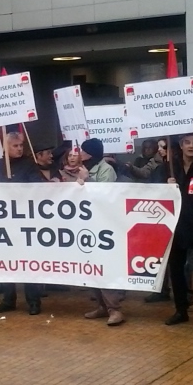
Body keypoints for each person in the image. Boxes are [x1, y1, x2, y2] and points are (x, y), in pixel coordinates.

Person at [157, 134, 193, 329]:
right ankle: (181, 309)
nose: (191, 146)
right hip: (175, 227)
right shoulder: (168, 167)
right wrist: (167, 188)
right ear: (181, 145)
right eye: (187, 142)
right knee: (176, 270)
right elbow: (152, 192)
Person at [0, 132, 46, 315]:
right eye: (15, 145)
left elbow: (38, 187)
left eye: (21, 145)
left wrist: (16, 187)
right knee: (6, 261)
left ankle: (33, 301)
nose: (20, 148)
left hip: (24, 221)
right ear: (5, 147)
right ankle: (8, 299)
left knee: (27, 261)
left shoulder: (29, 165)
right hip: (3, 222)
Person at [78, 139, 124, 326]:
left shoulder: (106, 170)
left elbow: (105, 197)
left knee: (105, 269)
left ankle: (115, 309)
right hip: (89, 225)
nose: (79, 154)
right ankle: (102, 306)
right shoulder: (84, 169)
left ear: (90, 153)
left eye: (83, 151)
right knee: (92, 268)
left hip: (105, 226)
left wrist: (87, 180)